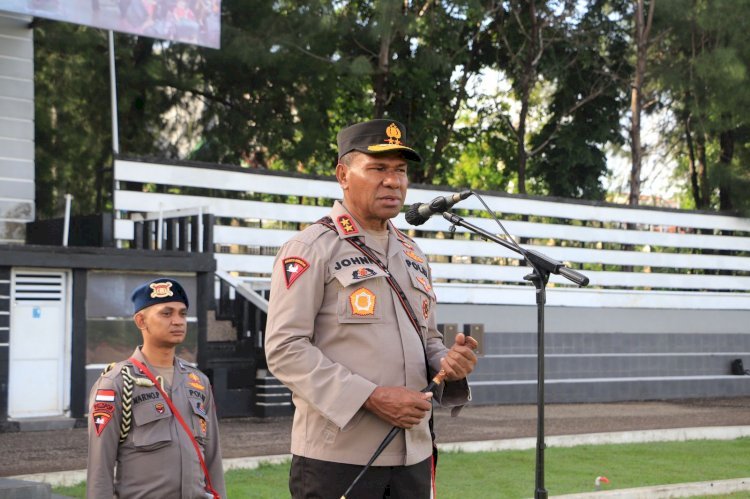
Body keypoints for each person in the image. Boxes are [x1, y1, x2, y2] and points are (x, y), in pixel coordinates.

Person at [265, 119, 478, 498]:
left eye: (400, 171)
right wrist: (370, 397)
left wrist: (447, 362)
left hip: (412, 453)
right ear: (344, 175)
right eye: (378, 168)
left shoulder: (413, 254)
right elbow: (285, 348)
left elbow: (426, 337)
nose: (393, 181)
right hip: (338, 458)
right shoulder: (312, 248)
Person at [86, 277, 226, 499]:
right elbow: (99, 468)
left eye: (182, 313)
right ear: (141, 321)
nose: (178, 321)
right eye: (166, 313)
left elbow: (212, 458)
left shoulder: (198, 381)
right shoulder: (116, 383)